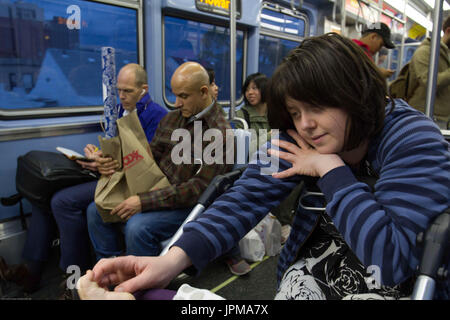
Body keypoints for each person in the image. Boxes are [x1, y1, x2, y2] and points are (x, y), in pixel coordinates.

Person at [86, 33, 449, 300]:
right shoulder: (301, 136)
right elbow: (243, 200)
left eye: (318, 107)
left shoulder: (411, 137)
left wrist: (330, 170)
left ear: (354, 95)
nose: (305, 124)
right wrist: (171, 261)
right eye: (294, 112)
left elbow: (392, 259)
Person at [16, 63, 167, 294]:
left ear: (143, 90)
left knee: (63, 202)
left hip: (127, 181)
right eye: (119, 90)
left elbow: (144, 162)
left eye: (127, 91)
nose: (122, 96)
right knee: (45, 194)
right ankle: (36, 270)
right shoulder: (117, 110)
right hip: (108, 174)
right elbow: (114, 148)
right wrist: (95, 154)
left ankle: (75, 274)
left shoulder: (157, 116)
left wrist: (106, 163)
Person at [86, 62, 233, 261]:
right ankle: (110, 268)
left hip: (189, 203)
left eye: (183, 96)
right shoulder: (171, 120)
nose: (176, 103)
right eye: (174, 95)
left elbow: (200, 189)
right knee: (96, 210)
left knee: (137, 228)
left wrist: (143, 201)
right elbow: (148, 158)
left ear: (204, 92)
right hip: (159, 189)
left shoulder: (220, 134)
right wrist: (111, 163)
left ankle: (142, 284)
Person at [407, 15, 450, 129]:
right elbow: (429, 82)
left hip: (442, 118)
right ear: (448, 31)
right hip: (426, 117)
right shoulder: (426, 52)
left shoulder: (446, 55)